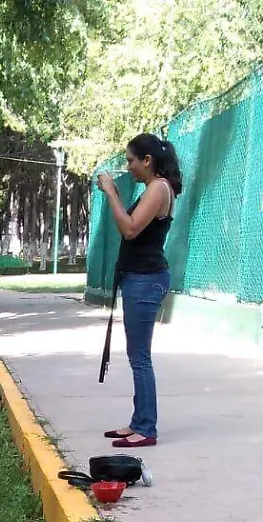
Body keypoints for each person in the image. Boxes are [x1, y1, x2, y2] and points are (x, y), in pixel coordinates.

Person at [96, 133, 182, 449]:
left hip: (147, 279)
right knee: (137, 355)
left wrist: (110, 194)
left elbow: (130, 229)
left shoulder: (159, 188)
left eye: (131, 160)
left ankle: (146, 428)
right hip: (140, 279)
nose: (129, 166)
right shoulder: (154, 188)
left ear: (148, 160)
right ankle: (139, 421)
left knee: (140, 357)